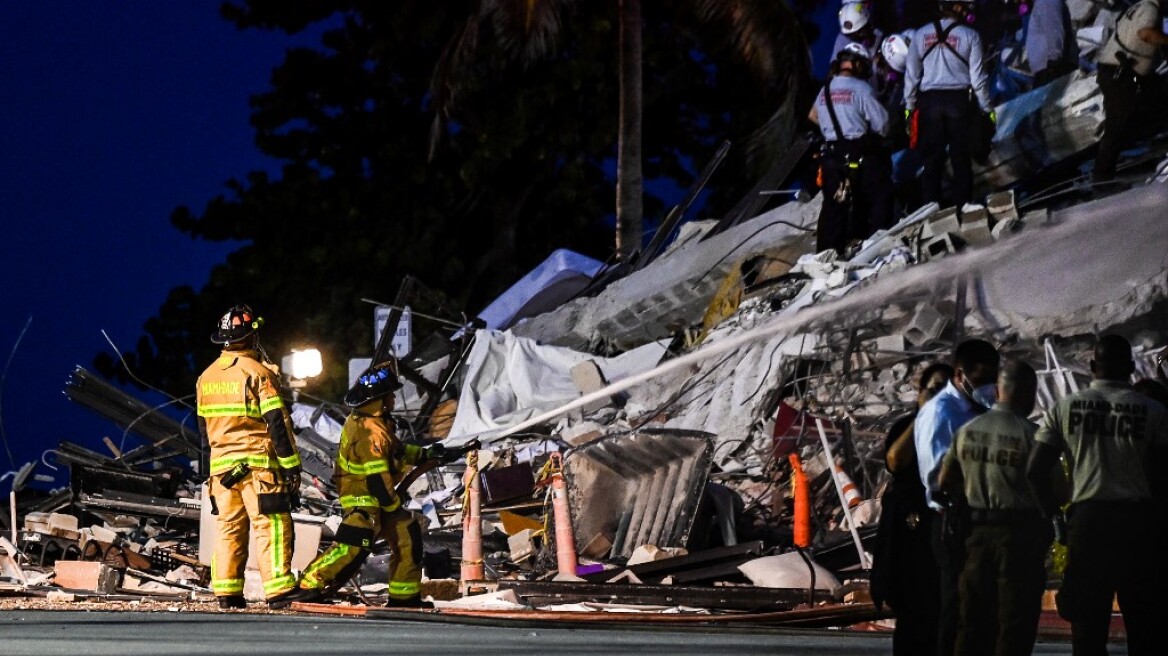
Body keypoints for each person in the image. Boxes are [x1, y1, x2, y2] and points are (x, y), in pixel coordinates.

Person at [1026, 335, 1168, 656]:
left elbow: (1035, 470)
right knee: (1146, 628)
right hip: (1139, 528)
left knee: (1087, 631)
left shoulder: (1064, 408)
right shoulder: (1154, 411)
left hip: (1088, 527)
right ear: (1131, 367)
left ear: (1091, 367)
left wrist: (1055, 519)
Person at [275, 361, 458, 608]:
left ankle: (404, 597)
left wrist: (429, 455)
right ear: (379, 399)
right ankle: (309, 585)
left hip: (377, 501)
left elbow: (399, 452)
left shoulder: (377, 424)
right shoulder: (370, 432)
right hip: (363, 501)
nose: (394, 398)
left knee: (408, 534)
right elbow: (376, 480)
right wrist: (393, 505)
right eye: (390, 394)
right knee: (350, 547)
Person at [938, 360, 1052, 656]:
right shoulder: (1033, 436)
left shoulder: (968, 431)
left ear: (999, 390)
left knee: (972, 621)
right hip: (1019, 541)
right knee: (1014, 622)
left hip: (976, 538)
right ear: (1029, 393)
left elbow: (945, 480)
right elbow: (1058, 490)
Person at [197, 304, 301, 608]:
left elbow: (204, 433)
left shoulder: (205, 378)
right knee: (273, 526)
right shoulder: (258, 373)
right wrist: (292, 467)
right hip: (258, 469)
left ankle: (227, 593)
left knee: (229, 529)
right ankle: (279, 590)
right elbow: (277, 425)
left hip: (222, 472)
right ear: (252, 337)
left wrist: (210, 473)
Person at [915, 338, 1000, 656]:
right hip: (953, 520)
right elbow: (936, 478)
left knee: (983, 611)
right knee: (957, 607)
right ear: (960, 374)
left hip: (982, 521)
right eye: (981, 379)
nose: (988, 386)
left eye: (992, 378)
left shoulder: (984, 410)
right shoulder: (942, 413)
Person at [871, 362, 953, 655]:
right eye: (932, 390)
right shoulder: (906, 426)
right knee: (910, 614)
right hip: (908, 532)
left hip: (941, 528)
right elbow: (895, 462)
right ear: (920, 393)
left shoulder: (958, 427)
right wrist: (923, 417)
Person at [904, 0, 994, 210]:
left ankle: (930, 208)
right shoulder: (970, 35)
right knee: (960, 158)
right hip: (959, 101)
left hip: (929, 103)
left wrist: (909, 107)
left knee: (932, 161)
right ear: (957, 7)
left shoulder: (920, 35)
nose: (968, 11)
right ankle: (964, 204)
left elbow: (911, 76)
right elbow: (978, 80)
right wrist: (988, 110)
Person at [808, 45, 894, 256]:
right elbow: (882, 124)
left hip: (831, 157)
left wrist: (832, 128)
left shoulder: (824, 90)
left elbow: (812, 115)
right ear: (857, 65)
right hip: (859, 154)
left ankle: (826, 257)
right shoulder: (861, 89)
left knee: (833, 208)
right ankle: (876, 247)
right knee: (878, 197)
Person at [1092, 0, 1168, 185]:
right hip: (1120, 75)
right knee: (1117, 124)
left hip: (1125, 74)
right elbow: (1145, 33)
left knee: (1158, 94)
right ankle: (1102, 178)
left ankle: (1155, 140)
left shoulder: (1140, 6)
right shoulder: (1150, 9)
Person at [1026, 0, 1078, 87]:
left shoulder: (1046, 2)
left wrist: (1054, 60)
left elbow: (1054, 29)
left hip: (1052, 68)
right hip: (1048, 68)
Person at [833, 2, 886, 72]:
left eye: (858, 33)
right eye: (849, 35)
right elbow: (834, 68)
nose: (852, 38)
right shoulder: (842, 40)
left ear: (869, 26)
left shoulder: (882, 40)